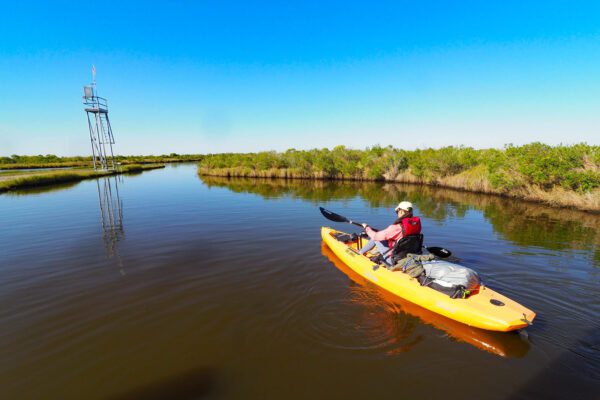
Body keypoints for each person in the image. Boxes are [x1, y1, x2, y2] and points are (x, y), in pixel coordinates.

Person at [358, 201, 422, 266]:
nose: (397, 213)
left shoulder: (396, 228)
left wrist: (366, 228)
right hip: (407, 256)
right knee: (381, 237)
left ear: (401, 211)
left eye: (397, 211)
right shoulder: (416, 225)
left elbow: (375, 236)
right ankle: (364, 252)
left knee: (375, 238)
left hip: (394, 260)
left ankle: (359, 253)